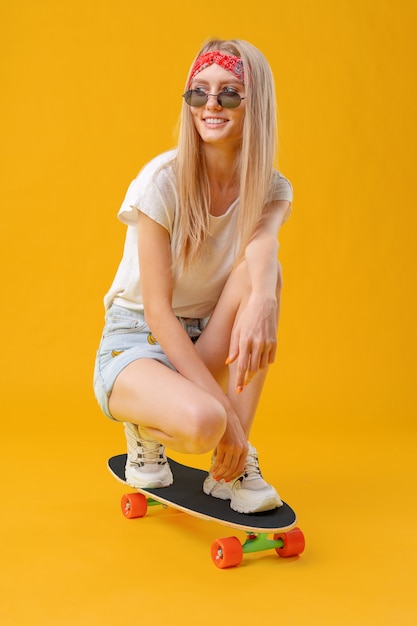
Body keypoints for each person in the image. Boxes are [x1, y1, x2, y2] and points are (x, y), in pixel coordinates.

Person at [93, 39, 293, 514]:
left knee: (267, 272)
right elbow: (159, 314)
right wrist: (228, 422)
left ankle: (231, 469)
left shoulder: (271, 187)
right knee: (205, 422)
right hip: (137, 343)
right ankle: (205, 438)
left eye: (228, 93)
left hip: (203, 339)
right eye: (198, 93)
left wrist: (263, 297)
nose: (211, 105)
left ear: (254, 104)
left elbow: (264, 248)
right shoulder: (161, 181)